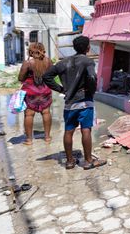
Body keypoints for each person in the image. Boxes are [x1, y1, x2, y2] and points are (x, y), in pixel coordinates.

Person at [43, 36, 106, 170]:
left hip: (69, 103)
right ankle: (89, 161)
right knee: (86, 129)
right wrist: (91, 91)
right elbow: (92, 77)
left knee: (69, 131)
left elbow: (46, 76)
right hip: (84, 101)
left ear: (74, 48)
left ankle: (70, 161)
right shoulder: (87, 61)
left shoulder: (63, 62)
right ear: (88, 48)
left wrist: (62, 89)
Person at [18, 42, 53, 145]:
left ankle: (29, 140)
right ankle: (47, 137)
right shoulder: (48, 61)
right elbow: (52, 75)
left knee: (29, 114)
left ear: (30, 51)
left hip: (30, 91)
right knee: (46, 112)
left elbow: (20, 78)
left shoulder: (28, 63)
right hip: (45, 90)